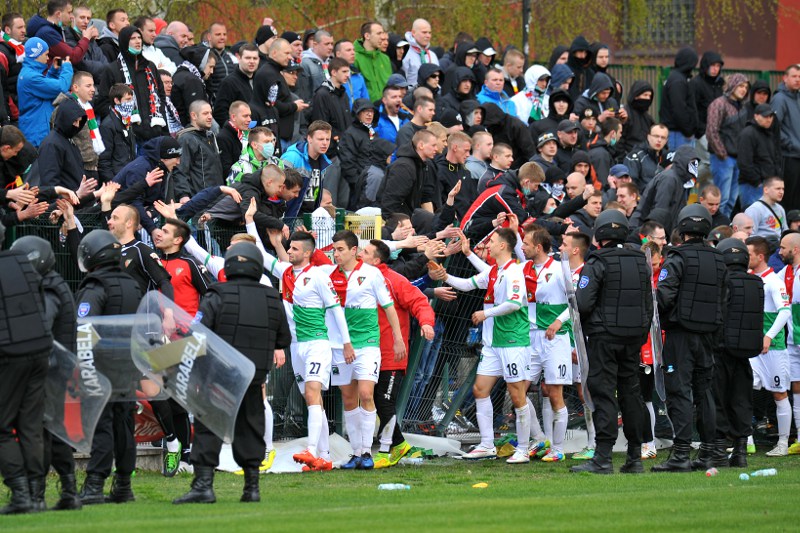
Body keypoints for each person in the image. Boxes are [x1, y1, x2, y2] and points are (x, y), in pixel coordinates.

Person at [174, 242, 290, 504]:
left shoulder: (217, 293)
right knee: (251, 429)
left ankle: (203, 486)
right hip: (254, 378)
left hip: (218, 376)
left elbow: (197, 332)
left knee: (209, 428)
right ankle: (251, 488)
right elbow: (284, 338)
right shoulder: (272, 297)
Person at [251, 226, 349, 472]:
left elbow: (336, 310)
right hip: (296, 346)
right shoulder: (285, 272)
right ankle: (324, 457)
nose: (289, 251)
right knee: (311, 399)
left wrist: (346, 343)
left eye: (294, 248)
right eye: (289, 248)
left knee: (313, 393)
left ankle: (311, 450)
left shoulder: (318, 276)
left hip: (317, 343)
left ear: (307, 253)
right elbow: (261, 254)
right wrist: (251, 222)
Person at [429, 228, 531, 463]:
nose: (488, 245)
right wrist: (445, 276)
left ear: (503, 246)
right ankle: (487, 445)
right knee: (479, 390)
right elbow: (466, 284)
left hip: (513, 341)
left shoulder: (514, 272)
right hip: (493, 343)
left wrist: (487, 314)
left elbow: (515, 303)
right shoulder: (495, 271)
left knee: (517, 394)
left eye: (492, 241)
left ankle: (524, 449)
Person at [571, 210, 651, 474]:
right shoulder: (640, 261)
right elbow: (648, 303)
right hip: (633, 338)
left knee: (604, 393)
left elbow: (583, 303)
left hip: (604, 338)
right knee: (631, 394)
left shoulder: (597, 261)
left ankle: (603, 457)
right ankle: (634, 457)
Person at [320, 230, 405, 470]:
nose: (336, 254)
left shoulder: (372, 274)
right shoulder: (328, 274)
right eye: (334, 250)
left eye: (340, 250)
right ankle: (356, 452)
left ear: (353, 250)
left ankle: (367, 451)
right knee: (349, 398)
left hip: (367, 344)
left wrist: (398, 338)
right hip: (339, 346)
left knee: (366, 394)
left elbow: (389, 307)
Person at [653, 204, 726, 472]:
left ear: (682, 228)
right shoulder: (719, 259)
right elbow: (724, 299)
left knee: (679, 391)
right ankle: (708, 452)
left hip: (680, 335)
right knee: (704, 393)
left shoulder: (677, 257)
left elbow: (664, 296)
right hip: (708, 335)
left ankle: (681, 454)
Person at [75, 230, 143, 505]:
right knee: (124, 425)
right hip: (127, 367)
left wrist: (84, 368)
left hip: (100, 367)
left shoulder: (95, 286)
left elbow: (84, 330)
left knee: (101, 424)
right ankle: (124, 485)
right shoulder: (132, 285)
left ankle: (94, 485)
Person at [359, 239, 435, 468]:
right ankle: (398, 445)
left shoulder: (393, 280)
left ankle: (386, 450)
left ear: (376, 260)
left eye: (365, 252)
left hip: (391, 353)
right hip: (365, 351)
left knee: (384, 401)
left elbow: (420, 302)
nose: (360, 254)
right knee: (372, 399)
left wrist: (426, 323)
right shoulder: (355, 278)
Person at [0, 223, 54, 515]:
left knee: (2, 426)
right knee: (31, 425)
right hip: (39, 349)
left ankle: (20, 494)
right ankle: (36, 495)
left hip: (10, 354)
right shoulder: (23, 263)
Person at [714, 238, 764, 467]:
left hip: (720, 350)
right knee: (741, 401)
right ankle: (740, 452)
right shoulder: (756, 282)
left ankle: (718, 450)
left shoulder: (721, 283)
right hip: (744, 353)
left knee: (718, 400)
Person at [743, 235, 793, 458]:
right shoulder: (748, 278)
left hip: (773, 349)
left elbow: (785, 312)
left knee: (779, 393)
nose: (745, 258)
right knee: (744, 390)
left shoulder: (774, 282)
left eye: (749, 254)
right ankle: (746, 441)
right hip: (751, 347)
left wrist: (769, 337)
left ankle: (782, 443)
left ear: (760, 256)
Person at [96, 26, 167, 145]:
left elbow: (161, 97)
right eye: (133, 38)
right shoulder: (112, 69)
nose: (138, 41)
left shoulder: (150, 67)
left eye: (139, 37)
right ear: (124, 42)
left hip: (155, 133)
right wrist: (120, 124)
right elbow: (103, 103)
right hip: (128, 138)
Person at [630, 144, 699, 235]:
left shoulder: (682, 182)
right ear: (683, 161)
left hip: (657, 232)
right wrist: (658, 237)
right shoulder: (669, 179)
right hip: (644, 231)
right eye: (692, 162)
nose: (694, 166)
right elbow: (659, 212)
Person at [706, 73, 749, 217]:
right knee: (721, 199)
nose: (744, 89)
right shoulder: (719, 104)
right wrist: (722, 154)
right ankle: (716, 227)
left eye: (746, 87)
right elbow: (711, 131)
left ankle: (724, 226)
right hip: (723, 159)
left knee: (731, 200)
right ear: (732, 85)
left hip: (738, 159)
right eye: (741, 86)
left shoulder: (742, 107)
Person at [17, 37, 73, 147]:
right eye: (46, 54)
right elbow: (61, 87)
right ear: (37, 54)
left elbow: (44, 90)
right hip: (37, 133)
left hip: (36, 129)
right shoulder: (31, 77)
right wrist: (67, 67)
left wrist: (53, 72)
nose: (48, 58)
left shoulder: (29, 73)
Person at [777, 232, 800, 456]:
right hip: (792, 341)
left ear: (796, 249)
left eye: (783, 247)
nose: (780, 251)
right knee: (796, 386)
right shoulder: (784, 273)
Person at [379, 129, 437, 216]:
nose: (436, 149)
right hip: (397, 221)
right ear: (421, 145)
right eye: (433, 145)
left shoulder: (422, 165)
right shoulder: (403, 167)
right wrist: (400, 222)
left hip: (409, 218)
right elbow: (391, 203)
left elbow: (423, 198)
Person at [281, 120, 333, 218]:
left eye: (328, 139)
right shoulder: (292, 157)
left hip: (310, 216)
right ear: (309, 138)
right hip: (290, 216)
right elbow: (278, 189)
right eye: (320, 139)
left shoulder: (323, 161)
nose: (325, 143)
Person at [174, 100, 223, 201]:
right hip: (200, 200)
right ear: (194, 116)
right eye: (205, 113)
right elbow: (180, 170)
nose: (210, 117)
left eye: (211, 113)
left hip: (216, 198)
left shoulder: (210, 136)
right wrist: (183, 195)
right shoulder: (186, 138)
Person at [38, 96, 87, 190]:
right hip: (64, 198)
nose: (77, 125)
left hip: (75, 196)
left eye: (79, 121)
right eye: (75, 121)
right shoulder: (51, 144)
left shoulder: (67, 140)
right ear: (65, 119)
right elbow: (49, 183)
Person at [737, 104, 780, 210]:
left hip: (766, 185)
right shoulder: (748, 134)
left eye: (771, 116)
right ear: (756, 116)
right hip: (752, 186)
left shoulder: (768, 134)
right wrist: (757, 182)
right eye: (765, 116)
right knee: (751, 217)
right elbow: (744, 163)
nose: (769, 119)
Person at [772, 65, 800, 210]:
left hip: (798, 155)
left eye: (799, 77)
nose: (797, 80)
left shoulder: (798, 98)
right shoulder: (779, 99)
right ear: (785, 78)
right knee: (787, 197)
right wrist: (791, 144)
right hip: (788, 156)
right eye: (794, 76)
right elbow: (774, 128)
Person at [659, 47, 699, 150]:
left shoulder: (677, 78)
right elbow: (679, 108)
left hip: (679, 132)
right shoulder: (678, 81)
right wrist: (688, 130)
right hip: (678, 134)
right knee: (681, 159)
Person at [310, 57, 351, 154]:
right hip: (331, 151)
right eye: (344, 71)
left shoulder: (343, 94)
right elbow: (320, 124)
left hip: (345, 147)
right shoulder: (322, 94)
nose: (348, 75)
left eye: (348, 71)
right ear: (334, 72)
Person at [212, 43, 259, 127]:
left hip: (260, 131)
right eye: (248, 58)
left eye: (255, 58)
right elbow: (220, 113)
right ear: (239, 58)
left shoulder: (260, 80)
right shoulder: (229, 83)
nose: (252, 61)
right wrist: (236, 131)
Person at [99, 83, 136, 183]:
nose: (131, 103)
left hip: (129, 176)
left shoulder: (126, 120)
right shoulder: (107, 125)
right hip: (117, 179)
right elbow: (104, 160)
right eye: (127, 100)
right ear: (116, 100)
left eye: (131, 99)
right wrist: (112, 182)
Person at [624, 123, 668, 192]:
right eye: (656, 136)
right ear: (648, 137)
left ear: (666, 141)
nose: (659, 140)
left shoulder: (668, 158)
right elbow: (630, 184)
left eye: (663, 137)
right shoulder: (635, 156)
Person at [354, 22, 391, 102]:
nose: (382, 37)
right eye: (378, 33)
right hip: (366, 107)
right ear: (367, 36)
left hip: (386, 106)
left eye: (382, 33)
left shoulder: (385, 59)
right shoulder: (355, 58)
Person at [217, 100, 252, 179]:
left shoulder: (246, 134)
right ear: (233, 117)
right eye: (245, 116)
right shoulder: (223, 138)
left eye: (250, 116)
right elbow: (226, 171)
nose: (249, 119)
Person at [205, 22, 238, 104]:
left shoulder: (230, 57)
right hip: (214, 106)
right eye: (218, 34)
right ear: (209, 37)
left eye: (224, 34)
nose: (222, 37)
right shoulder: (204, 57)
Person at [402, 19, 438, 87]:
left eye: (429, 33)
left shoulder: (432, 55)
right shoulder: (405, 54)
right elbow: (403, 82)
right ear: (413, 33)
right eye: (424, 32)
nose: (428, 36)